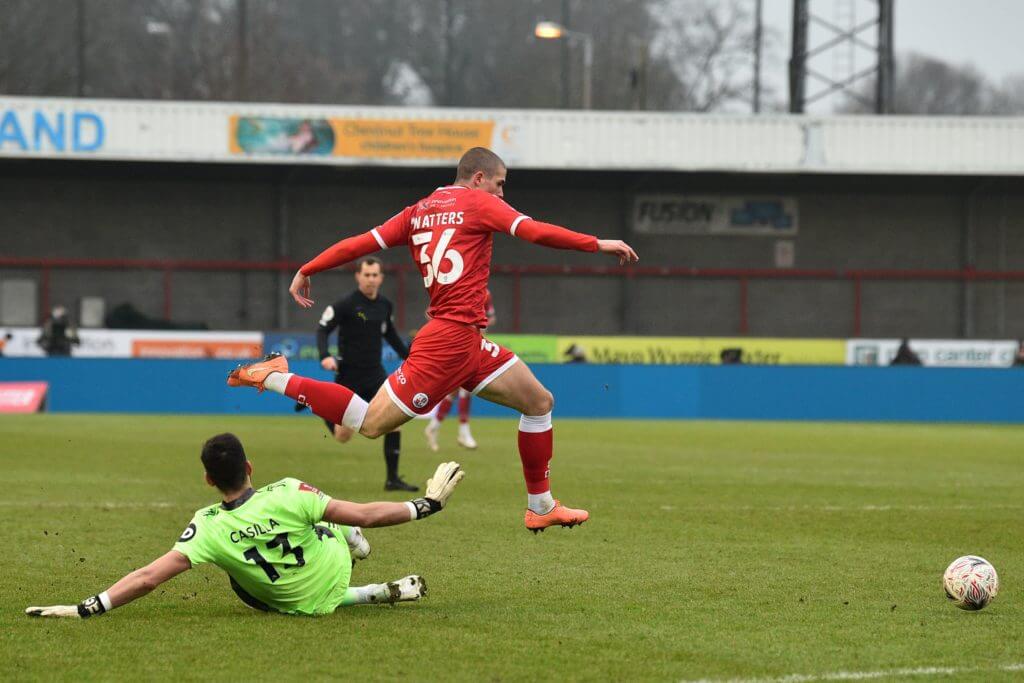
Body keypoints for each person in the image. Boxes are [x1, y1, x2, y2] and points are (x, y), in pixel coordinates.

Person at [229, 146, 638, 533]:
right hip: (449, 342)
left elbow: (359, 244)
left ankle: (541, 507)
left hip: (468, 340)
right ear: (478, 178)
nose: (502, 193)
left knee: (538, 402)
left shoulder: (418, 211)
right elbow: (532, 231)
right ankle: (273, 376)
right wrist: (597, 243)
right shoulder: (480, 203)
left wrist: (309, 266)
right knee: (371, 423)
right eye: (499, 184)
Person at [25, 433, 464, 618]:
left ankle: (370, 593)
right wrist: (425, 504)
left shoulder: (207, 526)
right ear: (250, 466)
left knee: (241, 582)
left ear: (208, 480)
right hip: (329, 559)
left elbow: (147, 578)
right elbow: (368, 513)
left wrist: (87, 607)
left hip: (297, 603)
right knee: (329, 513)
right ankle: (352, 544)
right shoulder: (289, 489)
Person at [306, 257, 416, 491]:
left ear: (381, 278)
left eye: (375, 275)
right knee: (342, 436)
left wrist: (411, 357)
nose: (371, 279)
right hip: (349, 377)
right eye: (367, 275)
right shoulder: (345, 304)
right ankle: (318, 404)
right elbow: (323, 329)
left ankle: (392, 479)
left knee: (394, 420)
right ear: (358, 276)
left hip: (375, 374)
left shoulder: (385, 305)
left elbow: (391, 335)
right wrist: (325, 355)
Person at [424, 289, 496, 451]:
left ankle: (434, 426)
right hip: (456, 345)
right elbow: (429, 313)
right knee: (464, 386)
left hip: (474, 344)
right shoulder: (456, 288)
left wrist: (481, 324)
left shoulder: (485, 294)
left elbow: (491, 317)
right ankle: (463, 432)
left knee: (456, 390)